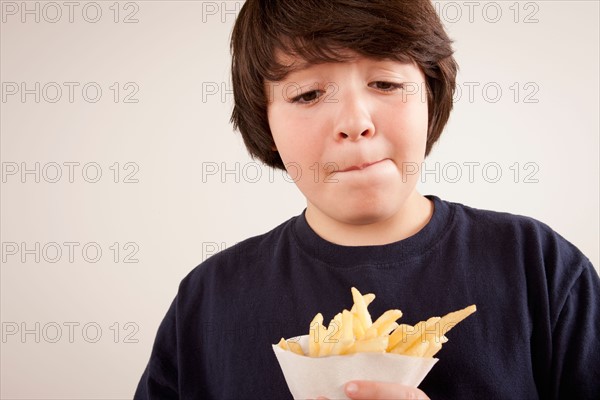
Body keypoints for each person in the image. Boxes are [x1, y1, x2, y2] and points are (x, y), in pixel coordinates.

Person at [134, 0, 600, 398]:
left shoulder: (538, 265)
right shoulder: (210, 297)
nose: (355, 121)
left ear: (431, 98)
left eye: (386, 84)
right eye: (309, 93)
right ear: (265, 121)